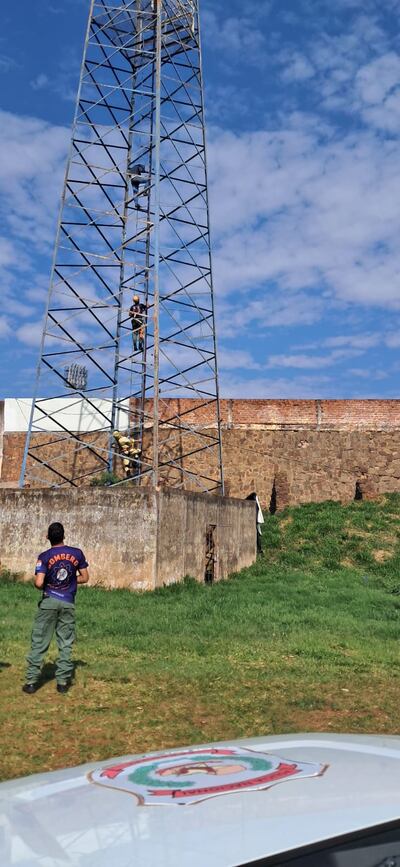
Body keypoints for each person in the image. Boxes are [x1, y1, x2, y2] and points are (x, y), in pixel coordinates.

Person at [22, 522, 89, 695]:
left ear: (47, 537)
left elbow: (39, 583)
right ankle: (62, 683)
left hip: (49, 601)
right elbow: (85, 577)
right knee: (65, 642)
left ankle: (31, 682)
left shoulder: (44, 556)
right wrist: (70, 581)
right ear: (64, 536)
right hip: (68, 602)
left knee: (39, 641)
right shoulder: (77, 553)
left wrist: (46, 584)